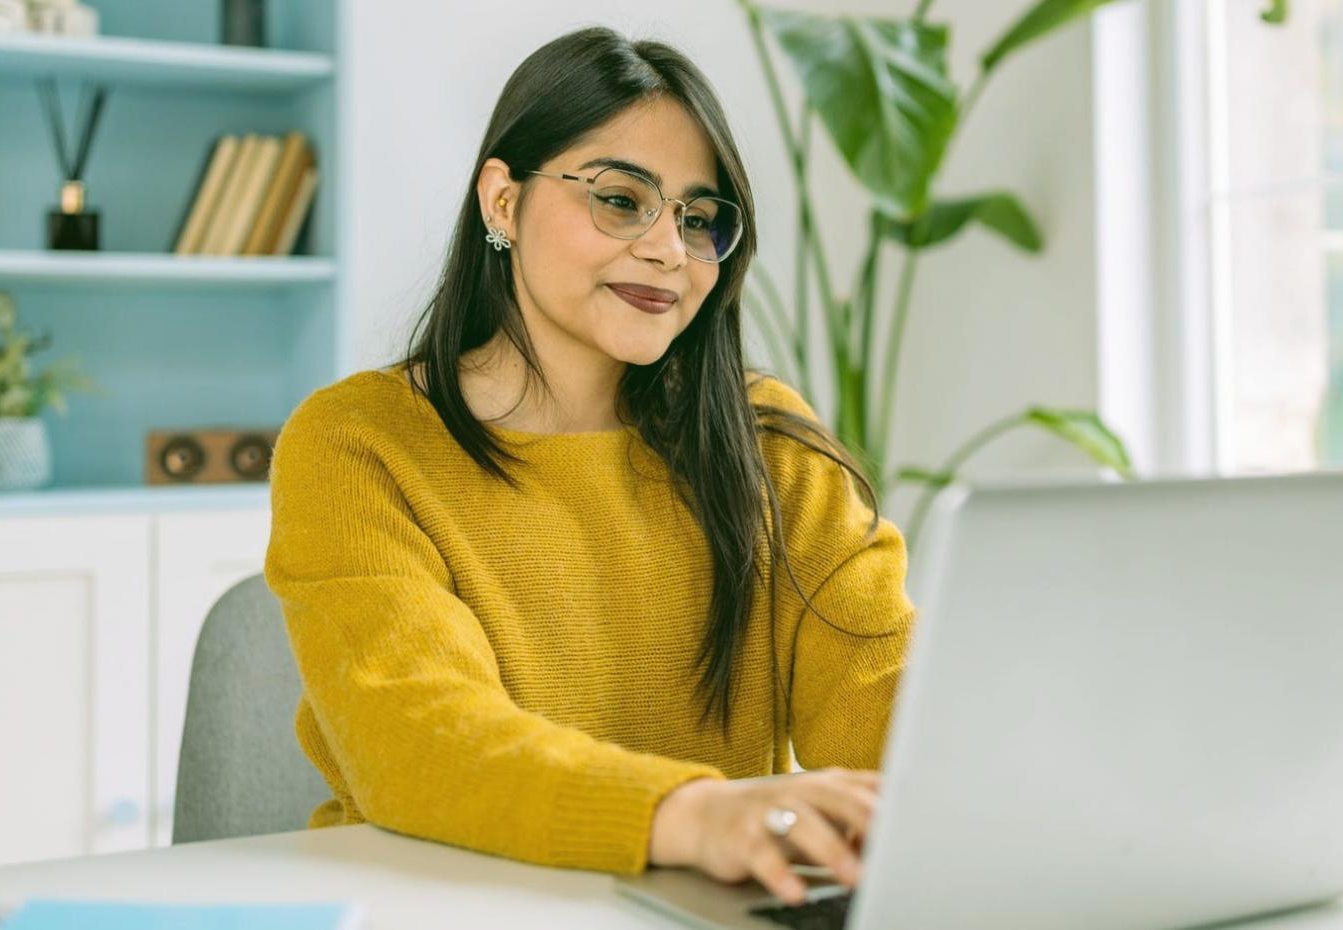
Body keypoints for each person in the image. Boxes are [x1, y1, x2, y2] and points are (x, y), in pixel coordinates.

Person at [262, 26, 914, 907]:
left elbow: (886, 700)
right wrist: (690, 814)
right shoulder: (358, 444)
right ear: (502, 201)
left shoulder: (768, 442)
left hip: (692, 914)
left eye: (697, 218)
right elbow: (421, 738)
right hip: (432, 908)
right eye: (619, 199)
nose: (667, 251)